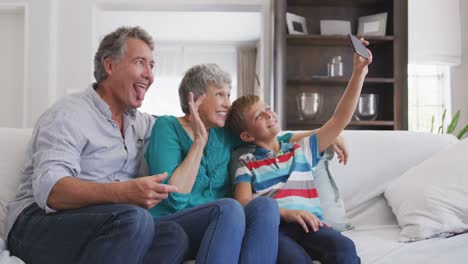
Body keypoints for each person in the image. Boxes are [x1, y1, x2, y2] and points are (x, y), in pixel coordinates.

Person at [6, 26, 189, 264]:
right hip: (36, 223)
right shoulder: (69, 114)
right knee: (135, 219)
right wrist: (123, 193)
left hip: (100, 222)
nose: (149, 75)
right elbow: (50, 191)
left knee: (173, 236)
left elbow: (178, 129)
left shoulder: (139, 122)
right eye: (140, 62)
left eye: (151, 65)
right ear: (110, 66)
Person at [225, 40, 373, 264]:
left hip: (313, 225)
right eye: (259, 116)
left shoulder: (300, 149)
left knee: (345, 248)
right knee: (294, 259)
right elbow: (243, 202)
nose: (268, 115)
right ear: (247, 136)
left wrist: (359, 73)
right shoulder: (246, 163)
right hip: (277, 229)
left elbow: (337, 122)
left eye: (268, 109)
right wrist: (286, 213)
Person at [145, 63, 289, 264]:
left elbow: (269, 137)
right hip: (175, 223)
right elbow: (174, 197)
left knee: (265, 205)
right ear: (194, 97)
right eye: (220, 94)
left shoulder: (223, 133)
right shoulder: (167, 127)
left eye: (228, 95)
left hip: (223, 225)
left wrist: (321, 137)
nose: (228, 104)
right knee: (229, 208)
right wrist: (198, 142)